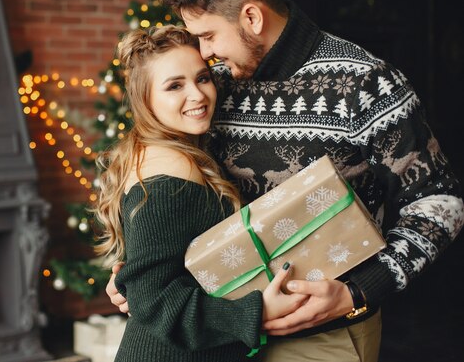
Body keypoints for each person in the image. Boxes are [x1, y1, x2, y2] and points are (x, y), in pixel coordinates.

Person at [106, 0, 464, 361]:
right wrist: (144, 274)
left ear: (252, 18)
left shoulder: (366, 85)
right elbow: (173, 190)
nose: (204, 53)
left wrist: (358, 292)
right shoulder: (212, 85)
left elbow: (440, 202)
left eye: (208, 36)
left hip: (322, 336)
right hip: (227, 333)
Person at [94, 25, 307, 362]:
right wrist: (257, 312)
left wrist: (130, 278)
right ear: (145, 98)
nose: (197, 95)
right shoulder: (171, 172)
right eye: (174, 86)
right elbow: (153, 300)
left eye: (202, 78)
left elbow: (154, 268)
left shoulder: (167, 150)